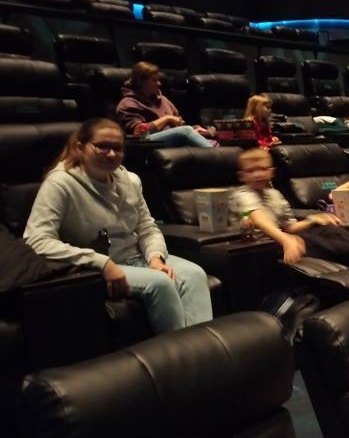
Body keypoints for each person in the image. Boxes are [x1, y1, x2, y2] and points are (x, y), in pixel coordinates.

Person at [24, 118, 212, 334]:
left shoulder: (130, 180)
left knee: (194, 274)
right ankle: (178, 353)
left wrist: (155, 257)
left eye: (118, 148)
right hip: (93, 267)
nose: (112, 154)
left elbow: (147, 228)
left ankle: (203, 349)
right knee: (161, 283)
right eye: (102, 146)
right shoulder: (60, 183)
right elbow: (36, 240)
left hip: (138, 258)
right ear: (80, 147)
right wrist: (102, 263)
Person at [230, 148, 349, 269]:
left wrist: (313, 220)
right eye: (251, 171)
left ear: (272, 172)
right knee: (308, 239)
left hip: (280, 238)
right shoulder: (242, 194)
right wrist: (286, 239)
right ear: (241, 176)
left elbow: (290, 227)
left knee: (327, 229)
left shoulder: (275, 194)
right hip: (256, 247)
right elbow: (260, 220)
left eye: (262, 169)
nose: (257, 174)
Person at [115, 61, 215, 148]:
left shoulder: (162, 99)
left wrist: (195, 129)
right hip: (146, 142)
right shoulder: (128, 103)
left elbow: (179, 124)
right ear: (141, 81)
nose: (159, 84)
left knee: (211, 140)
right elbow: (139, 132)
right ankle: (215, 155)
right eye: (154, 80)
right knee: (186, 131)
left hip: (174, 139)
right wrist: (167, 118)